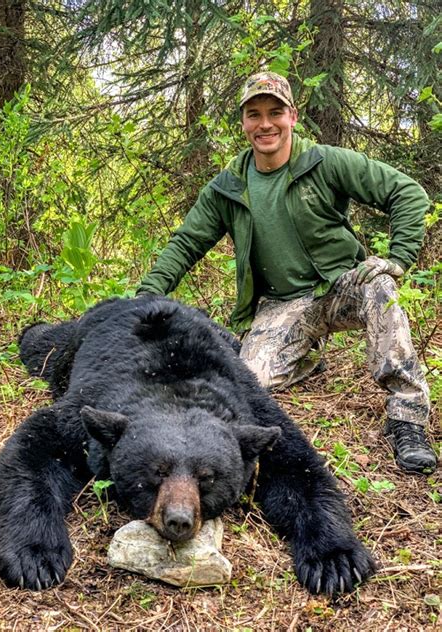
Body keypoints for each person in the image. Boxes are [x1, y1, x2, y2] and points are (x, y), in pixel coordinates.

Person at [137, 71, 437, 475]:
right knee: (249, 386)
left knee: (381, 286)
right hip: (283, 304)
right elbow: (186, 244)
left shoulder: (325, 162)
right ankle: (306, 357)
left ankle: (407, 419)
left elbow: (407, 192)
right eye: (254, 114)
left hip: (340, 287)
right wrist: (145, 297)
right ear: (243, 122)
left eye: (275, 112)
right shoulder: (227, 187)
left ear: (292, 116)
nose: (265, 124)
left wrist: (398, 257)